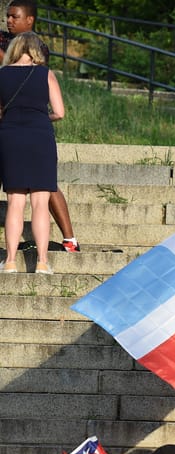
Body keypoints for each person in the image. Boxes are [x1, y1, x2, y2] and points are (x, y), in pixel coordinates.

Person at [0, 0, 78, 253]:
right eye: (8, 16)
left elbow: (34, 82)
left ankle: (69, 237)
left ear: (29, 20)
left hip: (19, 123)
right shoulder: (2, 40)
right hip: (15, 124)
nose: (9, 20)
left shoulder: (37, 47)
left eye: (15, 16)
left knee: (44, 185)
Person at [0, 31, 63, 274]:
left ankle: (11, 261)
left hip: (10, 137)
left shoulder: (2, 74)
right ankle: (43, 262)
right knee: (40, 201)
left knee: (15, 202)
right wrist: (38, 117)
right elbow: (59, 112)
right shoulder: (45, 74)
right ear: (37, 50)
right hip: (40, 137)